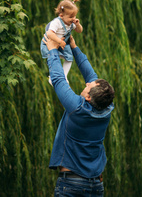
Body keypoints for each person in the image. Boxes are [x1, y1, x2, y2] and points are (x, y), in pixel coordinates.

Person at [42, 35, 115, 197]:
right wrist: (74, 47)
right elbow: (91, 75)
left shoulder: (76, 108)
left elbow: (58, 78)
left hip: (71, 184)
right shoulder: (107, 108)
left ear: (88, 97)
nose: (87, 83)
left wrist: (52, 51)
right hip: (96, 184)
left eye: (89, 86)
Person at [40, 0, 83, 84]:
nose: (74, 19)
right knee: (54, 59)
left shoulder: (71, 23)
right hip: (52, 43)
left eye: (75, 16)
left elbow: (79, 31)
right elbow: (49, 33)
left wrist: (78, 25)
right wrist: (59, 41)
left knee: (69, 59)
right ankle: (52, 77)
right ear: (61, 15)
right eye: (71, 17)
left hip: (63, 44)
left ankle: (64, 75)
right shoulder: (57, 22)